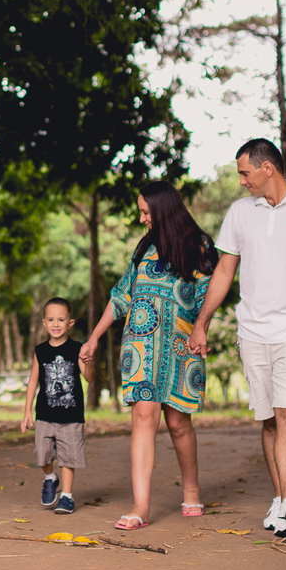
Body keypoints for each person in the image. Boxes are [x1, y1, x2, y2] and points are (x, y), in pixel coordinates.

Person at [186, 138, 286, 539]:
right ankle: (281, 502)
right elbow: (224, 272)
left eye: (244, 173)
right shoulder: (240, 213)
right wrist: (202, 321)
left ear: (267, 168)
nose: (241, 182)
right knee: (271, 418)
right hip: (253, 331)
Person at [80, 181, 218, 530]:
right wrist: (95, 336)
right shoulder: (144, 249)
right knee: (144, 417)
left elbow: (209, 295)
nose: (142, 218)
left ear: (163, 210)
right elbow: (122, 295)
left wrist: (203, 329)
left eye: (146, 211)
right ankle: (140, 505)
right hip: (140, 345)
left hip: (180, 347)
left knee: (177, 423)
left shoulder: (200, 247)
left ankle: (191, 489)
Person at [21, 298, 96, 515]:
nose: (56, 324)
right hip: (44, 415)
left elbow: (89, 378)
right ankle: (50, 478)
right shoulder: (40, 350)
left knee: (68, 457)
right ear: (44, 322)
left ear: (70, 323)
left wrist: (88, 361)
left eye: (61, 319)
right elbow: (33, 381)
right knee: (42, 455)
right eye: (51, 319)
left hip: (71, 416)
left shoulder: (76, 349)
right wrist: (27, 411)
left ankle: (67, 497)